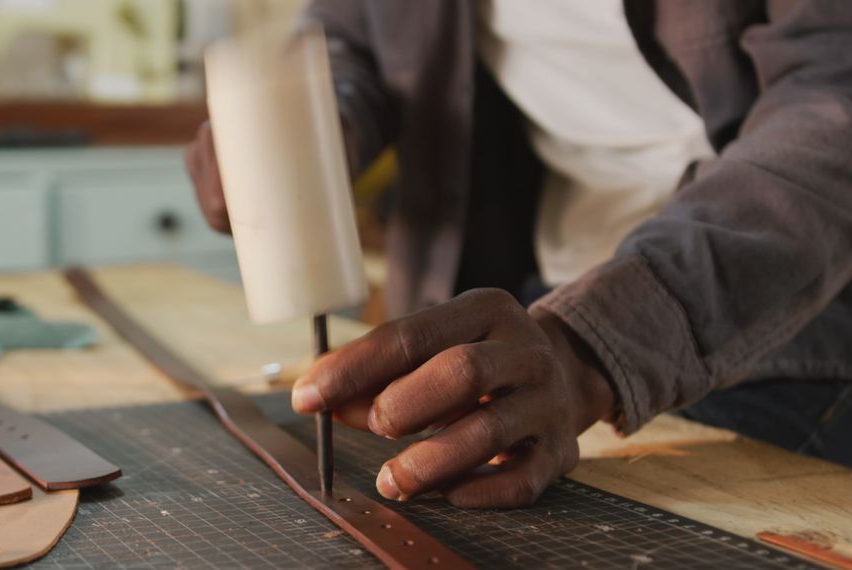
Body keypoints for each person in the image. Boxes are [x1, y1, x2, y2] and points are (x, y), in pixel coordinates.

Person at [185, 1, 852, 508]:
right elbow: (354, 36)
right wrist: (316, 122)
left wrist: (593, 348)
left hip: (793, 312)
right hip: (543, 295)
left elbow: (834, 103)